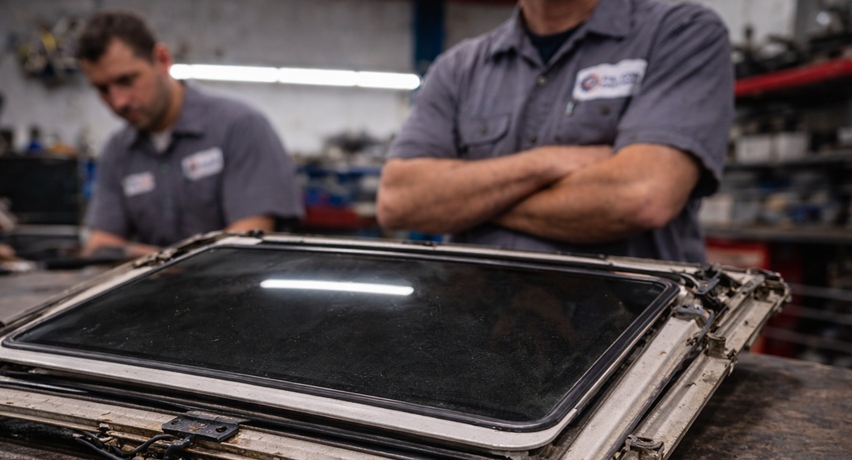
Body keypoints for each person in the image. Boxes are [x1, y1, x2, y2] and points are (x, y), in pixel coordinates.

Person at [376, 0, 734, 263]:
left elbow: (640, 197)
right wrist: (550, 162)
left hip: (634, 331)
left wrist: (464, 200)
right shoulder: (459, 67)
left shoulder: (680, 33)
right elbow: (399, 201)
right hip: (478, 321)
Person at [76, 11, 303, 258]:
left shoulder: (239, 127)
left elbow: (246, 240)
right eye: (102, 89)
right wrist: (169, 265)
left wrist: (154, 261)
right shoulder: (117, 152)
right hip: (155, 293)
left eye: (126, 80)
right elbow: (100, 245)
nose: (118, 101)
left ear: (162, 60)